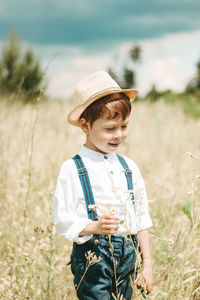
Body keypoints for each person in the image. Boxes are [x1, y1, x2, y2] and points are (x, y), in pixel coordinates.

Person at [53, 71, 153, 300]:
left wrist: (146, 264)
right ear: (85, 126)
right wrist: (94, 227)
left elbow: (141, 219)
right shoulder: (73, 169)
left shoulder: (129, 167)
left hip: (129, 255)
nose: (119, 135)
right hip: (93, 257)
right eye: (110, 128)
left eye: (124, 126)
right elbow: (62, 218)